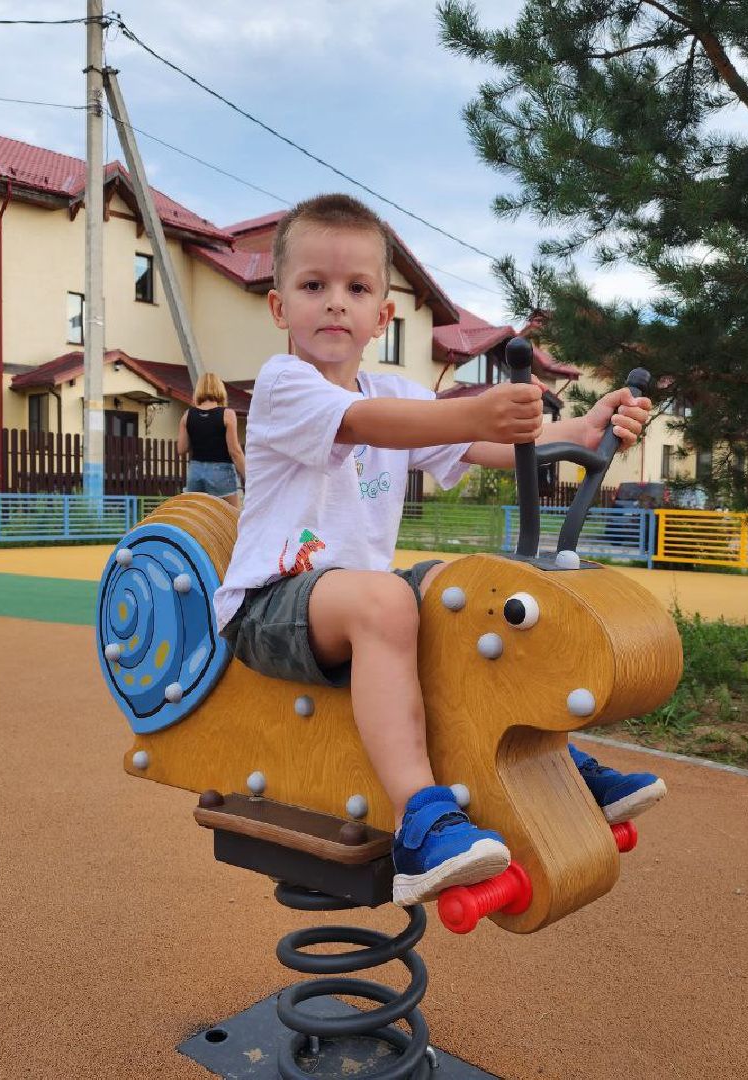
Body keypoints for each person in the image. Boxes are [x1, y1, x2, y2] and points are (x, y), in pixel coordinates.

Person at [212, 194, 666, 907]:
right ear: (278, 308)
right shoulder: (283, 386)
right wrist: (468, 407)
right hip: (267, 609)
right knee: (389, 597)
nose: (335, 304)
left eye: (356, 288)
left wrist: (584, 428)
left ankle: (543, 757)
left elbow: (486, 445)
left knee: (470, 591)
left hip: (353, 600)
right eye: (313, 286)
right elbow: (371, 424)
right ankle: (421, 819)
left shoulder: (395, 388)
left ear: (382, 317)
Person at [177, 372, 246, 508]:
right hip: (220, 471)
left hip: (195, 471)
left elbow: (181, 449)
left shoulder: (187, 415)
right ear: (220, 389)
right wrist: (248, 476)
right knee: (231, 518)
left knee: (198, 518)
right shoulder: (227, 414)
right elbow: (235, 451)